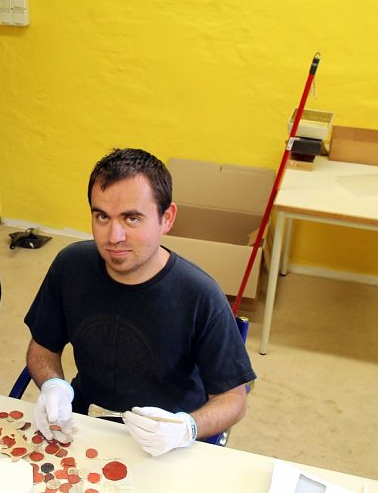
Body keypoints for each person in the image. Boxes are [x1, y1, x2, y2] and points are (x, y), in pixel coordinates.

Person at [24, 148, 256, 456]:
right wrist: (53, 385)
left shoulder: (200, 294)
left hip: (165, 439)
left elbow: (233, 399)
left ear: (167, 218)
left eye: (132, 218)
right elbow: (42, 349)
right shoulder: (70, 265)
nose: (113, 236)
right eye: (101, 216)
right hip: (83, 423)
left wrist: (187, 427)